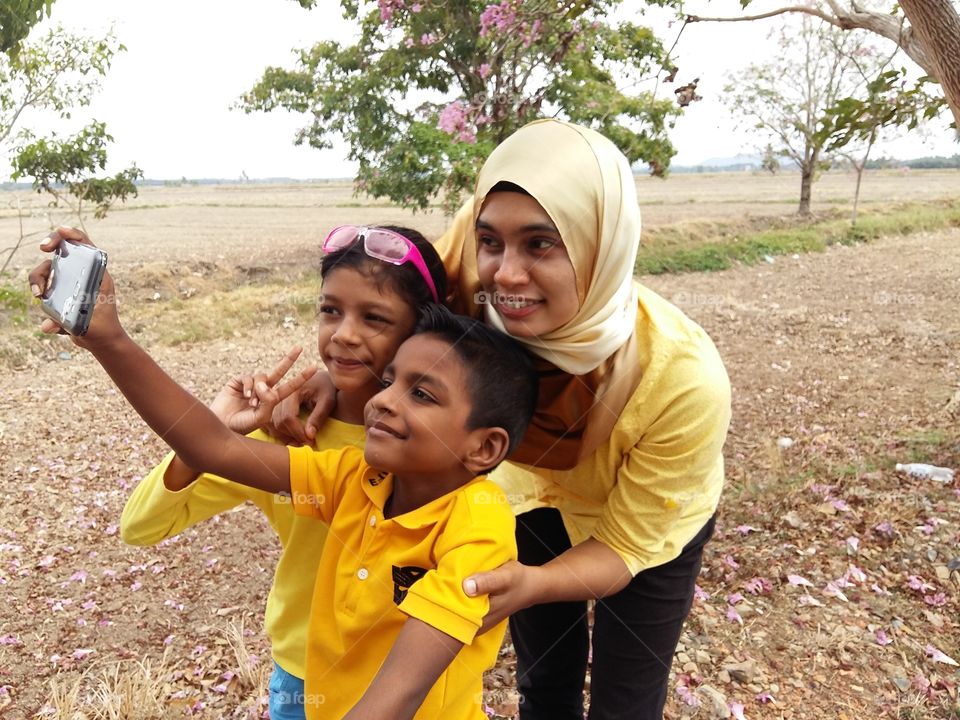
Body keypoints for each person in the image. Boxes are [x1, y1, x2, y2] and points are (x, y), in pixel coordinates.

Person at [274, 119, 732, 720]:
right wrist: (336, 375)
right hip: (526, 497)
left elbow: (624, 547)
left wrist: (536, 583)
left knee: (628, 695)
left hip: (648, 524)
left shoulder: (680, 379)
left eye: (541, 244)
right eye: (492, 243)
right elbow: (396, 322)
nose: (505, 275)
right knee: (546, 681)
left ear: (602, 242)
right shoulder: (471, 266)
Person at [30, 231, 540, 719]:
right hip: (305, 686)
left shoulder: (475, 520)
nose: (384, 399)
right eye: (330, 311)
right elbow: (208, 450)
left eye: (421, 392)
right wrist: (109, 339)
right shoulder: (350, 473)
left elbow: (401, 691)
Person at [118, 225, 447, 719]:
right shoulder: (282, 438)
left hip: (416, 679)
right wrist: (211, 437)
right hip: (303, 677)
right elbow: (141, 526)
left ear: (420, 329)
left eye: (374, 317)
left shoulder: (447, 438)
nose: (343, 334)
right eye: (330, 310)